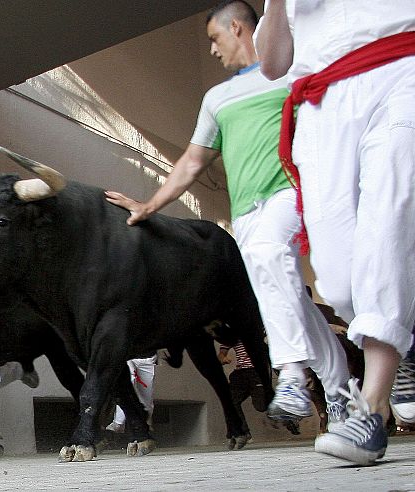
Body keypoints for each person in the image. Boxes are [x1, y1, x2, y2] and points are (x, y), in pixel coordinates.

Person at [105, 0, 349, 432]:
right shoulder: (217, 98)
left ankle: (290, 373)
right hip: (247, 211)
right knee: (289, 294)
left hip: (292, 192)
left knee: (271, 255)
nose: (213, 51)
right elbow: (192, 163)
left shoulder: (293, 71)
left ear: (237, 28)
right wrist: (148, 205)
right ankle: (339, 391)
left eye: (214, 39)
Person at [255, 0, 415, 465]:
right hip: (323, 101)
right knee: (340, 281)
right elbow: (272, 63)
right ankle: (406, 341)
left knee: (389, 220)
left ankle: (372, 409)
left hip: (400, 69)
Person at [105, 356, 157, 436]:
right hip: (129, 355)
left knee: (146, 395)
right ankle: (118, 423)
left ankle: (146, 422)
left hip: (147, 358)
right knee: (129, 381)